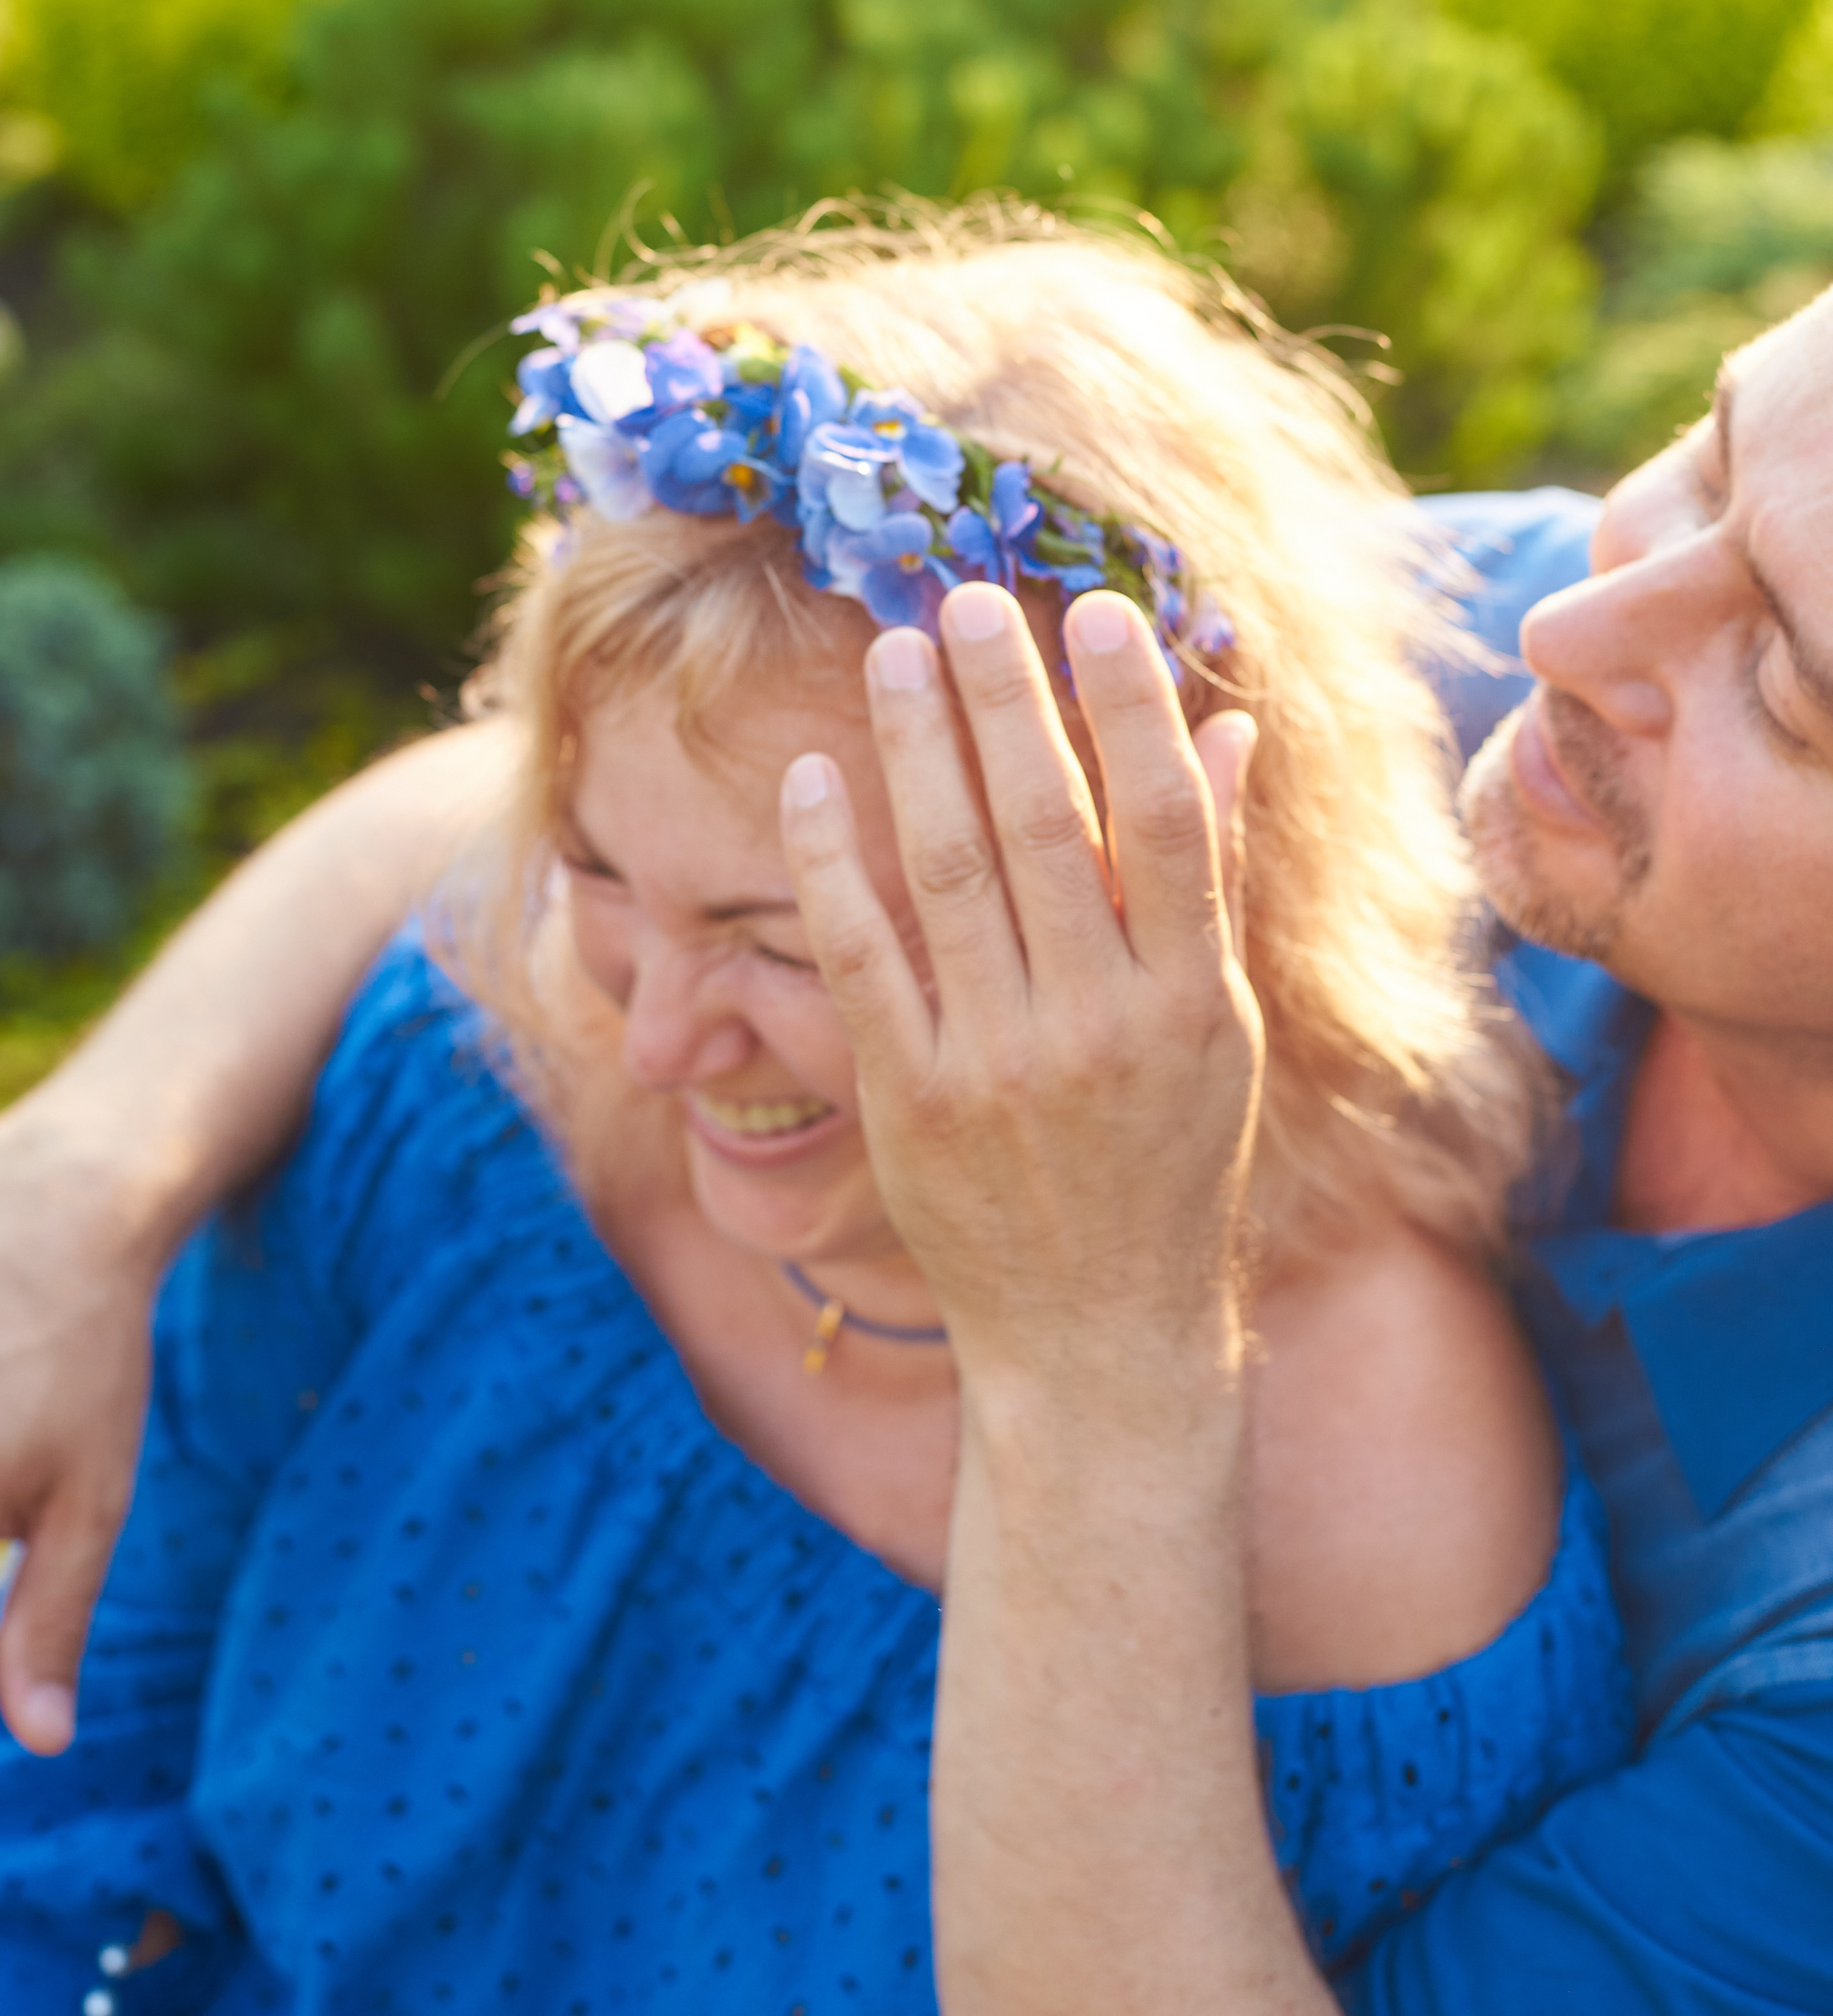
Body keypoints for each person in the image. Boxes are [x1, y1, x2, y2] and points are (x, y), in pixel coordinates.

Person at [0, 223, 1631, 2011]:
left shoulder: (1381, 1535)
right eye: (605, 871)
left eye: (792, 946)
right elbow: (92, 1754)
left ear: (1161, 919)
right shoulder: (465, 1098)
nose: (667, 1035)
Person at [779, 281, 1833, 2012]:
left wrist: (1086, 1343)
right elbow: (627, 778)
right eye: (1702, 460)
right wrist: (149, 1175)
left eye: (1789, 696)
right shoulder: (1513, 620)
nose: (1573, 626)